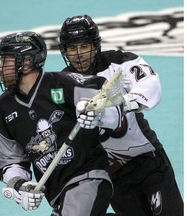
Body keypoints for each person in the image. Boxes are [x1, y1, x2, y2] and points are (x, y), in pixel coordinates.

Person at [58, 14, 183, 216]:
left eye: (84, 46)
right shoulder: (63, 84)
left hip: (148, 161)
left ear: (95, 45)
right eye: (72, 48)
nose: (78, 54)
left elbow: (150, 84)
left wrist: (124, 103)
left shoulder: (118, 62)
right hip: (113, 175)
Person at [0, 31, 123, 216]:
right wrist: (21, 186)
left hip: (88, 177)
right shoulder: (4, 108)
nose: (0, 67)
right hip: (58, 195)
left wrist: (98, 114)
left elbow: (110, 98)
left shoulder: (62, 84)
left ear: (26, 62)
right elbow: (10, 161)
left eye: (6, 60)